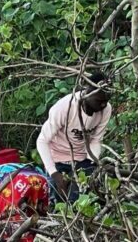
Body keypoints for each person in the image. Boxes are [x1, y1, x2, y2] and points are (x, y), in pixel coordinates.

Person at [36, 72, 112, 201]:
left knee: (82, 198)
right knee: (59, 201)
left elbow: (96, 140)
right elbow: (42, 141)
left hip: (82, 159)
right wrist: (54, 173)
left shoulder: (106, 109)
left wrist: (90, 163)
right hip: (57, 160)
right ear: (88, 92)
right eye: (99, 101)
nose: (103, 105)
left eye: (106, 101)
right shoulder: (65, 107)